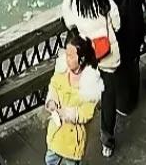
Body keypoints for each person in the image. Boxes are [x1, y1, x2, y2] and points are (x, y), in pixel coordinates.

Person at [61, 0, 121, 158]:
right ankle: (107, 141)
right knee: (109, 96)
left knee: (82, 90)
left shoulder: (71, 2)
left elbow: (69, 24)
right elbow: (117, 23)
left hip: (88, 56)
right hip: (108, 55)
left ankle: (76, 130)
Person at [98, 0, 146, 120]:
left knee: (118, 65)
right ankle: (132, 99)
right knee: (133, 61)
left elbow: (100, 0)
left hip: (117, 26)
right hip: (135, 19)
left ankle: (121, 103)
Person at [44, 29, 103, 165]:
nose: (67, 58)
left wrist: (67, 113)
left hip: (73, 140)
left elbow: (86, 113)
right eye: (66, 54)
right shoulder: (62, 71)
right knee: (50, 159)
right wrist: (52, 100)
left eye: (71, 56)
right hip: (56, 132)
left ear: (81, 59)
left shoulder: (90, 85)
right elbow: (53, 86)